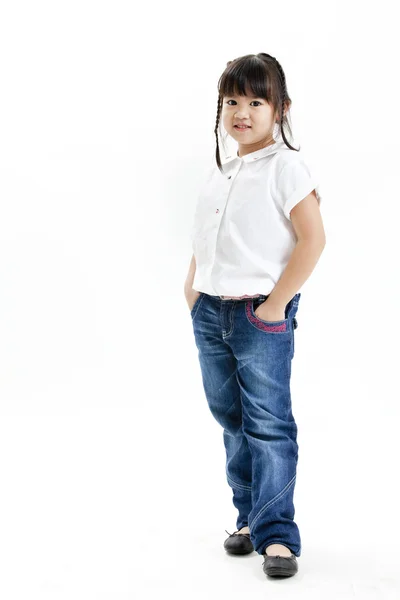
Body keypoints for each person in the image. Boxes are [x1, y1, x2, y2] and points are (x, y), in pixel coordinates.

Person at [184, 52, 326, 579]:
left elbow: (313, 240)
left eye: (256, 101)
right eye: (232, 101)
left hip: (260, 316)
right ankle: (248, 517)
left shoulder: (287, 166)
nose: (242, 111)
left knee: (267, 425)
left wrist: (275, 304)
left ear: (280, 108)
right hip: (210, 312)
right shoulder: (221, 169)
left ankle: (278, 536)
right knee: (232, 421)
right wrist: (192, 287)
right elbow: (209, 234)